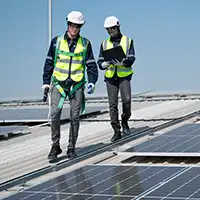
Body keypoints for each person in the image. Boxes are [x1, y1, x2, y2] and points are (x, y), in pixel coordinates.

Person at [42, 11, 98, 160]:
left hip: (76, 85)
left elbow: (91, 65)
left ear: (81, 27)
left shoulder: (85, 44)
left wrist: (92, 80)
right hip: (58, 84)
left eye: (78, 26)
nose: (74, 28)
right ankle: (55, 146)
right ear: (68, 24)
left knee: (75, 116)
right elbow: (49, 63)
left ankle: (71, 147)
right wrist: (46, 83)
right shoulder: (56, 42)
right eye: (72, 25)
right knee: (54, 114)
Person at [97, 16, 136, 142]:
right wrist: (103, 65)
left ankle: (125, 121)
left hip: (124, 75)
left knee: (127, 100)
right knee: (112, 104)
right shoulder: (104, 44)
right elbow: (100, 61)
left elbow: (131, 58)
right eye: (108, 29)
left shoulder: (128, 41)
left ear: (118, 27)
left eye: (112, 28)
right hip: (110, 77)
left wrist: (122, 63)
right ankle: (116, 130)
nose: (110, 31)